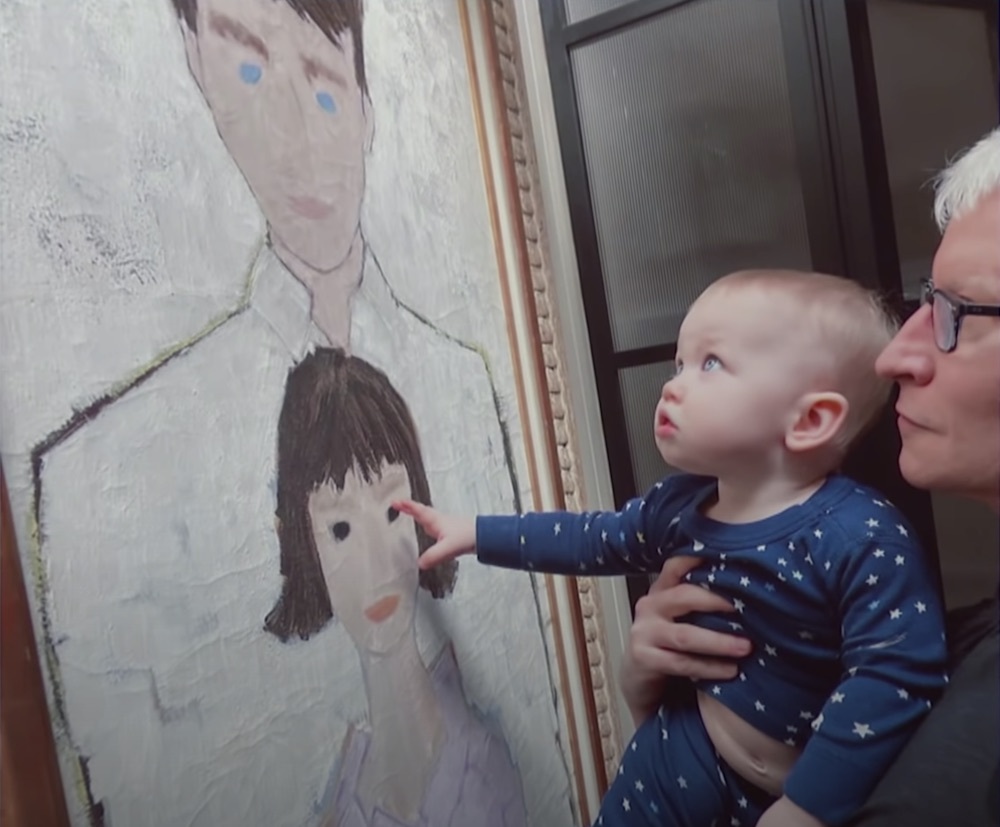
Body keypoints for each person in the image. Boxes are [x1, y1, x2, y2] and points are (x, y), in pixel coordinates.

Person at [29, 0, 552, 821]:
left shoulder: (464, 377)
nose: (294, 137)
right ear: (195, 65)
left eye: (322, 82)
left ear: (370, 108)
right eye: (246, 69)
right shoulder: (101, 468)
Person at [397, 269, 949, 827]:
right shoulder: (680, 507)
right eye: (679, 363)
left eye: (711, 363)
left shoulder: (861, 536)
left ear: (809, 420)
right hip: (676, 754)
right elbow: (591, 538)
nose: (673, 384)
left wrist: (808, 806)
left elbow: (895, 677)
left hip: (789, 797)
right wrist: (475, 532)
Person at [619, 128, 1000, 827]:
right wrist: (674, 712)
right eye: (925, 299)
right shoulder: (958, 640)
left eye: (957, 312)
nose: (896, 358)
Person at [267, 348, 526, 827]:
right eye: (340, 529)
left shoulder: (481, 769)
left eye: (393, 512)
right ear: (303, 543)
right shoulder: (348, 781)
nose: (378, 561)